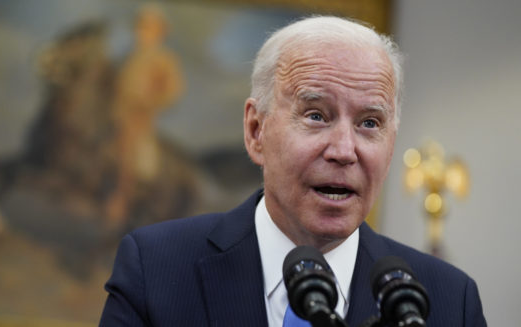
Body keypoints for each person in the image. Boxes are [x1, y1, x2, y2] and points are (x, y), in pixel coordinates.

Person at [100, 16, 486, 326]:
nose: (343, 151)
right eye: (316, 115)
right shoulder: (156, 269)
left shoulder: (448, 302)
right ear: (256, 131)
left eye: (369, 123)